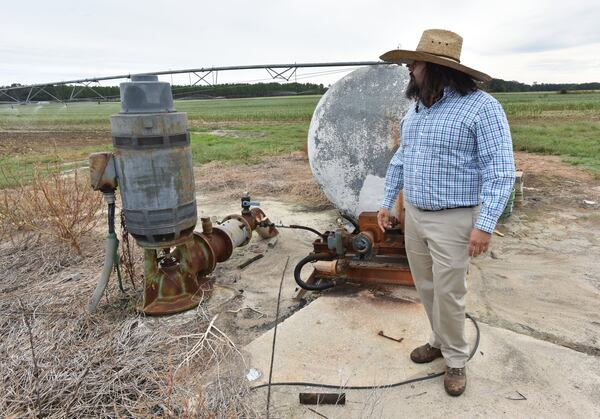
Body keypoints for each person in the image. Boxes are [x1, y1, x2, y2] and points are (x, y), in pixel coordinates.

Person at [377, 29, 515, 396]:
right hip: (416, 216)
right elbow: (402, 159)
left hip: (455, 219)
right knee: (426, 286)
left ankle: (456, 361)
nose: (408, 66)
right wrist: (387, 201)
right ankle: (440, 340)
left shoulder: (482, 108)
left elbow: (499, 171)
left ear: (437, 67)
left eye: (415, 62)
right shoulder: (417, 108)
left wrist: (484, 226)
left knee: (451, 292)